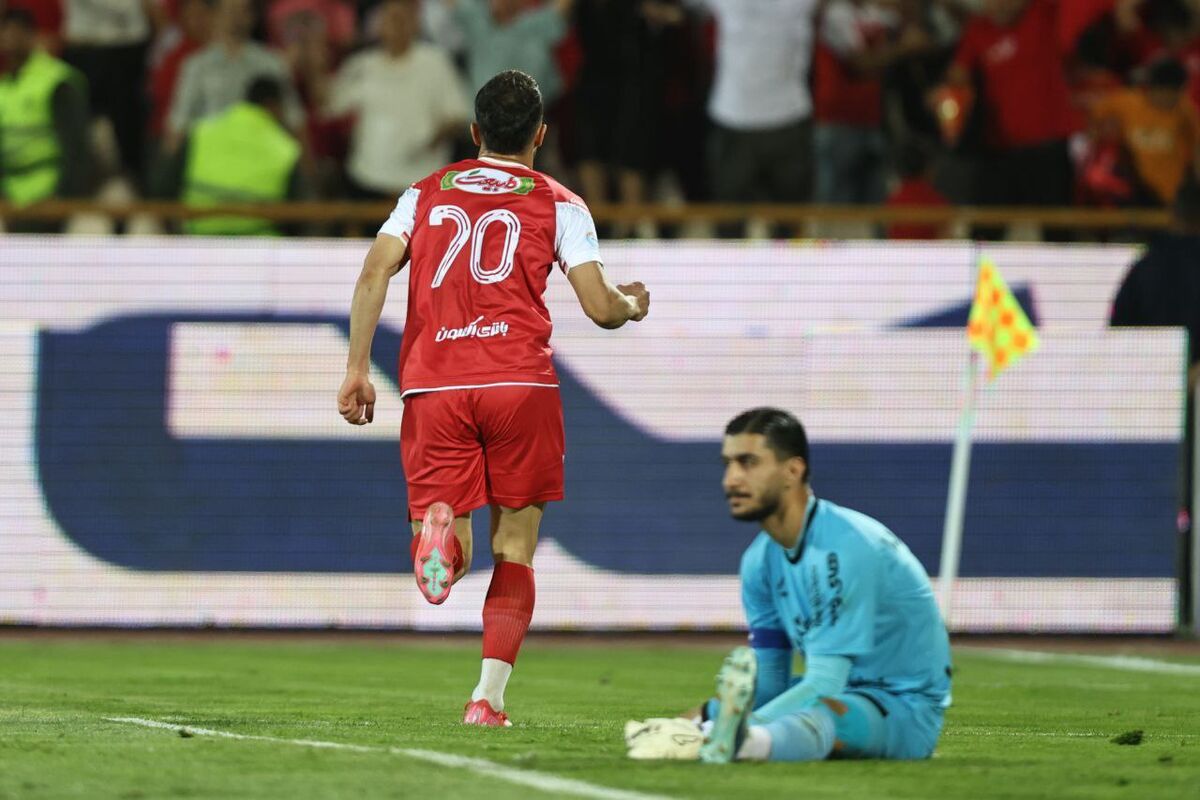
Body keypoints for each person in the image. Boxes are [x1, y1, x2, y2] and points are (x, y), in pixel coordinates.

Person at [336, 69, 650, 727]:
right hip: (518, 384)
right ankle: (487, 699)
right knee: (515, 550)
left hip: (435, 383)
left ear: (475, 131)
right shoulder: (560, 202)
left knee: (455, 554)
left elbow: (374, 270)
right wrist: (630, 303)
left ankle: (440, 543)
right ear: (541, 135)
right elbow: (599, 308)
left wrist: (357, 369)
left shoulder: (425, 192)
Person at [625, 408, 951, 763]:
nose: (731, 479)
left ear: (793, 471)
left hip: (902, 708)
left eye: (748, 462)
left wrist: (724, 729)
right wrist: (686, 723)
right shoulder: (759, 561)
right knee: (748, 700)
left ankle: (741, 743)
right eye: (728, 464)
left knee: (826, 712)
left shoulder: (845, 549)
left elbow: (825, 685)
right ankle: (693, 731)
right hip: (841, 690)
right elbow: (770, 681)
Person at [322, 0, 468, 200]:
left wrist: (429, 142)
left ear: (415, 24)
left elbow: (457, 116)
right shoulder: (361, 65)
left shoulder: (435, 62)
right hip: (367, 177)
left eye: (403, 19)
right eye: (391, 19)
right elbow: (330, 107)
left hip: (422, 178)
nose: (397, 26)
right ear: (379, 25)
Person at [162, 77, 304, 235]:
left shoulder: (200, 134)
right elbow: (299, 215)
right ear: (273, 106)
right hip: (261, 245)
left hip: (200, 242)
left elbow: (163, 188)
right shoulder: (286, 148)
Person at [165, 0, 304, 153]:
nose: (235, 17)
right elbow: (179, 123)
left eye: (242, 10)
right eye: (229, 10)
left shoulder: (271, 65)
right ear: (216, 15)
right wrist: (170, 159)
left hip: (260, 155)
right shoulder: (197, 67)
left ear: (252, 16)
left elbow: (294, 119)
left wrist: (306, 163)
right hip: (213, 157)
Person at [0, 8, 91, 223]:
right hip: (9, 194)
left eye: (17, 32)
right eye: (6, 31)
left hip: (51, 191)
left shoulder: (56, 81)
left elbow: (77, 147)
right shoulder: (3, 86)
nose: (11, 38)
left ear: (32, 36)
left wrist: (62, 197)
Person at [1090, 58, 1200, 207]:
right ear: (1155, 89)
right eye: (1172, 93)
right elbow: (1093, 123)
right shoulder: (1126, 103)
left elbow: (1196, 149)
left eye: (1180, 93)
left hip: (1172, 200)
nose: (1176, 99)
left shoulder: (1185, 112)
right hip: (1133, 196)